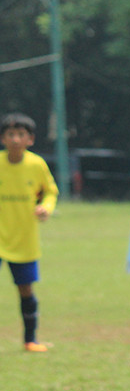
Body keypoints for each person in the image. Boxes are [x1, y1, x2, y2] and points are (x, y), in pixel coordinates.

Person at [0, 113, 59, 352]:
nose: (15, 139)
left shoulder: (36, 165)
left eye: (20, 135)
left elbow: (50, 192)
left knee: (26, 289)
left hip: (24, 238)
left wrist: (46, 207)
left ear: (30, 139)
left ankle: (30, 340)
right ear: (3, 138)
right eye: (10, 134)